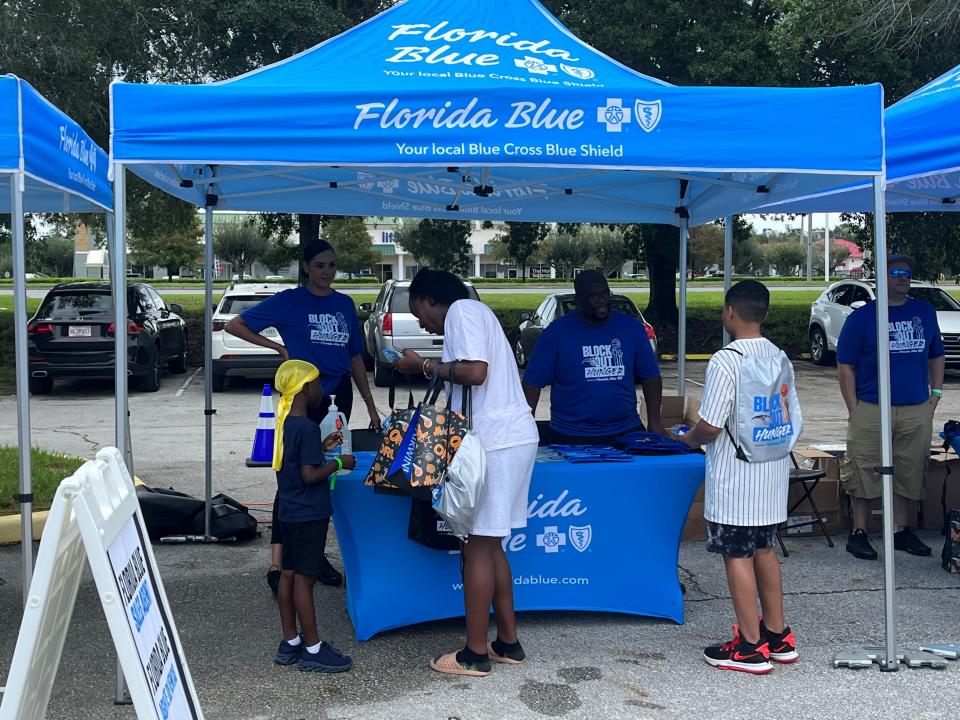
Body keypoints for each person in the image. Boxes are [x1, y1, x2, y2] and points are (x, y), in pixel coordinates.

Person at [394, 269, 539, 677]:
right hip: (510, 439)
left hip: (496, 443)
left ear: (429, 298)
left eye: (419, 312)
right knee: (492, 546)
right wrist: (432, 365)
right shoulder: (476, 313)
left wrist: (422, 364)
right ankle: (507, 642)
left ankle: (474, 653)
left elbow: (475, 372)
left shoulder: (461, 311)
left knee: (476, 547)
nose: (422, 322)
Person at [226, 238, 380, 591]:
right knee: (294, 476)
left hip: (337, 394)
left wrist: (370, 404)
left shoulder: (344, 305)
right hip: (302, 395)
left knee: (325, 474)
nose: (327, 272)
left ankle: (315, 555)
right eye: (320, 265)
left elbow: (356, 358)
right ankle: (279, 563)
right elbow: (235, 325)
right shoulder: (290, 301)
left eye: (331, 265)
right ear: (307, 267)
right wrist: (278, 347)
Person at [680, 281, 799, 675]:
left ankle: (749, 646)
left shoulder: (726, 359)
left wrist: (686, 439)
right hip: (771, 471)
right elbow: (791, 416)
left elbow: (711, 425)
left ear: (730, 311)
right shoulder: (780, 356)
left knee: (737, 554)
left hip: (736, 477)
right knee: (764, 549)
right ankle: (777, 635)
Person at [837, 254, 944, 560]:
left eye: (907, 273)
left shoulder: (924, 312)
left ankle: (900, 530)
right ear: (881, 278)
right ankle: (859, 532)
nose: (902, 278)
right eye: (896, 272)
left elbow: (936, 354)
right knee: (865, 468)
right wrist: (854, 408)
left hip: (915, 408)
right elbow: (846, 366)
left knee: (909, 470)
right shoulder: (861, 318)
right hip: (870, 407)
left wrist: (934, 395)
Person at [271, 359, 356, 673]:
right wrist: (338, 462)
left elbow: (296, 463)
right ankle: (313, 648)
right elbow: (309, 475)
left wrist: (322, 447)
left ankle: (290, 641)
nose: (322, 389)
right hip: (309, 513)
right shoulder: (306, 426)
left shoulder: (287, 423)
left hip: (289, 511)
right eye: (318, 383)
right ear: (306, 389)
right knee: (305, 581)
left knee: (289, 574)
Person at [521, 270, 666, 442]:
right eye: (593, 296)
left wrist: (655, 421)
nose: (602, 300)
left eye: (605, 294)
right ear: (579, 300)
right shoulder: (556, 333)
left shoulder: (631, 328)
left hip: (626, 429)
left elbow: (651, 376)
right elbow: (532, 383)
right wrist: (526, 430)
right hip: (571, 434)